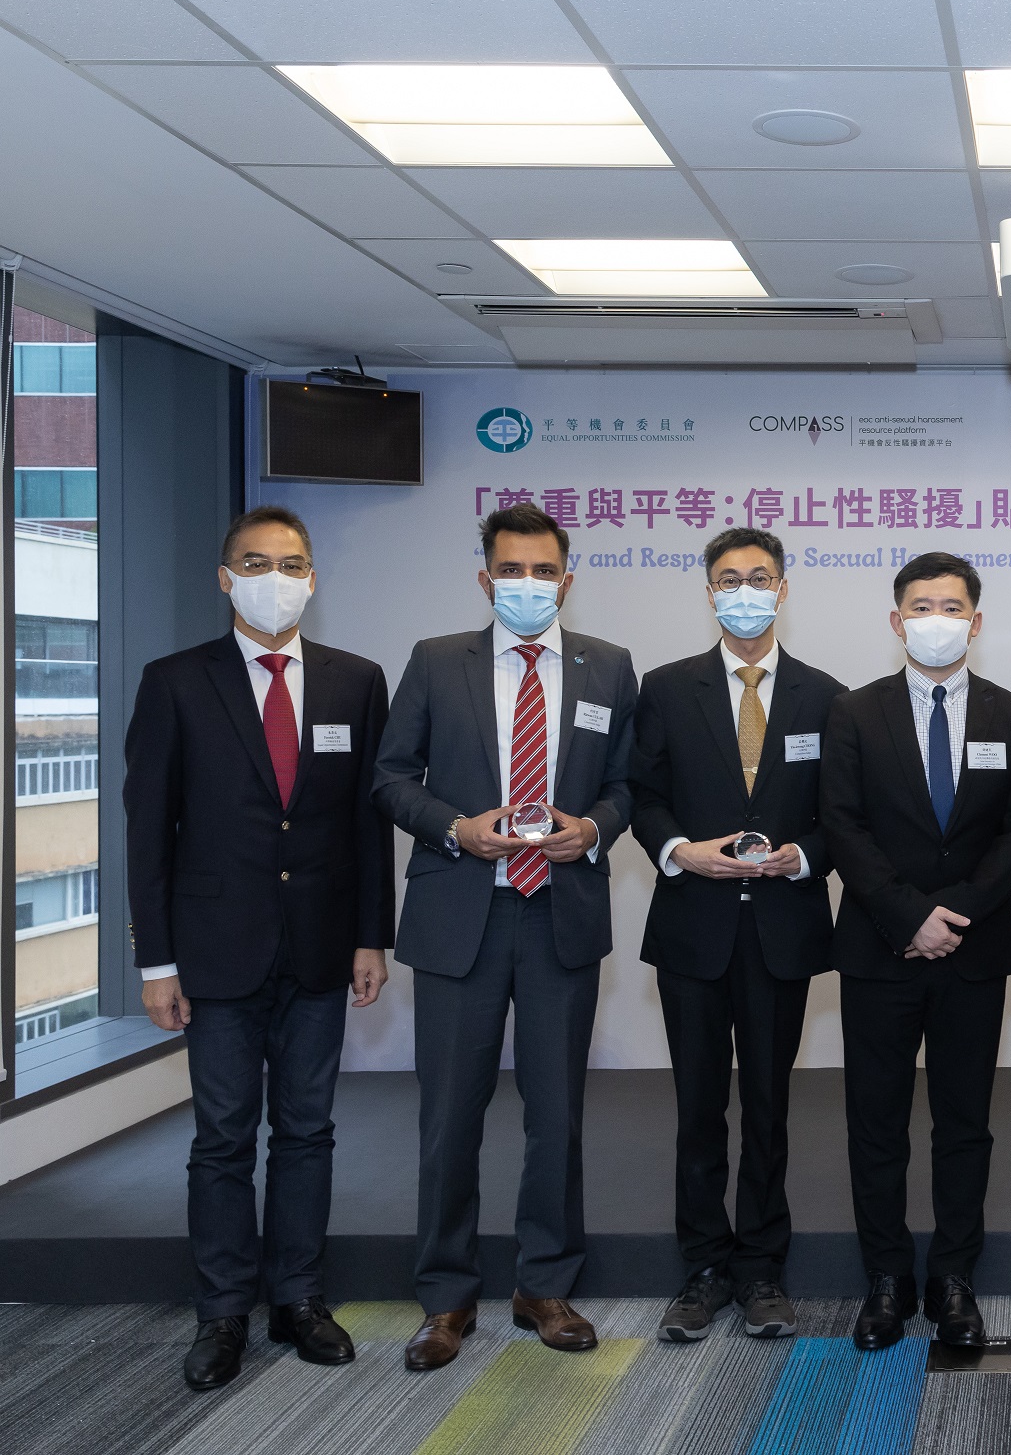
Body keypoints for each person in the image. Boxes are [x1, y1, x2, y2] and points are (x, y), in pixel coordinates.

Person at [124, 507, 393, 1391]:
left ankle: (299, 1301)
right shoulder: (173, 681)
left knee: (309, 1133)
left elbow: (365, 825)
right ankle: (222, 1314)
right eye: (255, 561)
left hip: (321, 949)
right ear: (223, 575)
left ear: (313, 577)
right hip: (214, 953)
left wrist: (370, 937)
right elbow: (147, 831)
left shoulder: (358, 681)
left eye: (291, 562)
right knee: (223, 1140)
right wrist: (156, 962)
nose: (274, 577)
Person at [372, 503, 638, 1371]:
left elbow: (631, 784)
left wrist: (592, 829)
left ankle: (544, 1285)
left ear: (568, 577)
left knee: (556, 1116)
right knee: (450, 1117)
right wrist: (456, 827)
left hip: (560, 912)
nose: (528, 585)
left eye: (543, 571)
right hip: (462, 915)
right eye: (511, 572)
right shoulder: (434, 661)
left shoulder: (609, 668)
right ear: (486, 579)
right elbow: (388, 778)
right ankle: (445, 1299)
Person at [821, 552, 1011, 1352]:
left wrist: (955, 915)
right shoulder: (853, 711)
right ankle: (885, 1279)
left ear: (975, 622)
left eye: (951, 607)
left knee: (964, 1124)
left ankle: (954, 1278)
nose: (936, 619)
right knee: (875, 1123)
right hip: (881, 950)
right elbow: (842, 824)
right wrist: (907, 916)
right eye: (921, 606)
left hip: (973, 952)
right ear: (896, 620)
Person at [628, 527, 844, 1343]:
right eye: (729, 578)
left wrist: (801, 859)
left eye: (759, 577)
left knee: (768, 1106)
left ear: (783, 589)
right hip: (693, 929)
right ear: (708, 590)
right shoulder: (667, 687)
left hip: (782, 930)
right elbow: (641, 795)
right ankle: (702, 1268)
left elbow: (843, 818)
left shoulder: (826, 695)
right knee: (696, 1109)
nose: (745, 590)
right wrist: (680, 850)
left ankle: (761, 1270)